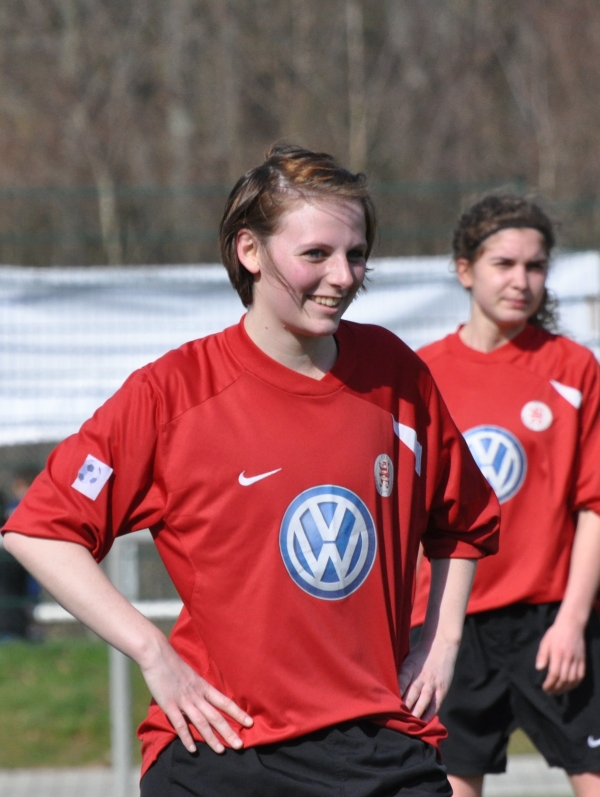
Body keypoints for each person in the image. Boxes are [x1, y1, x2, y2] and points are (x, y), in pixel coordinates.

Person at [2, 144, 499, 797]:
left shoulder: (395, 372)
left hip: (380, 742)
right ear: (250, 251)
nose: (343, 276)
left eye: (355, 254)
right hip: (224, 748)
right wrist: (153, 652)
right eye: (315, 254)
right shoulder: (173, 393)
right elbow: (39, 531)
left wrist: (441, 641)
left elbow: (462, 522)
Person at [411, 194, 600, 797]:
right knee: (449, 787)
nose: (521, 280)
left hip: (550, 623)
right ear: (465, 269)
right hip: (449, 623)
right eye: (504, 264)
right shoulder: (421, 373)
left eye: (535, 266)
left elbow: (594, 506)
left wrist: (572, 621)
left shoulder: (573, 369)